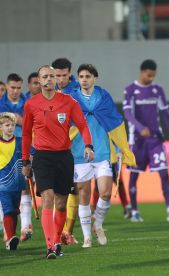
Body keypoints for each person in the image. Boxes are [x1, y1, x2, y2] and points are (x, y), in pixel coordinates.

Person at [21, 65, 94, 259]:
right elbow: (26, 134)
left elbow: (82, 125)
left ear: (56, 79)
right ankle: (51, 246)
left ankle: (57, 240)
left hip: (64, 157)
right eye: (44, 76)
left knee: (61, 204)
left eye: (52, 76)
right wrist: (25, 161)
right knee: (48, 198)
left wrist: (88, 146)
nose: (48, 79)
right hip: (42, 157)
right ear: (39, 80)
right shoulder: (31, 104)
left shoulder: (69, 102)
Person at [69, 64, 135, 248]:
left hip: (103, 151)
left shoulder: (103, 96)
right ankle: (86, 237)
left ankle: (98, 224)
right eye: (81, 76)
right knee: (84, 194)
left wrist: (120, 146)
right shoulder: (72, 98)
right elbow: (66, 123)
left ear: (95, 78)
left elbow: (113, 122)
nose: (84, 79)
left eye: (87, 76)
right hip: (79, 152)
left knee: (105, 193)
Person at [123, 59, 169, 222]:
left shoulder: (157, 90)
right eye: (149, 75)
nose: (151, 79)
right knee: (134, 176)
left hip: (156, 140)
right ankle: (134, 211)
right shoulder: (130, 90)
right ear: (142, 72)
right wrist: (139, 127)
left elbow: (166, 114)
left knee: (164, 173)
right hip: (137, 142)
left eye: (153, 76)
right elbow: (127, 114)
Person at [0, 73, 34, 242]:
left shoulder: (27, 103)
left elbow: (33, 125)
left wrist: (23, 121)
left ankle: (26, 226)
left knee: (25, 185)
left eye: (18, 87)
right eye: (12, 87)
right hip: (4, 152)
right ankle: (7, 228)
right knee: (4, 189)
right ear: (6, 86)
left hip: (23, 149)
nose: (15, 91)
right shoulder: (0, 104)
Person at [52, 57, 82, 245]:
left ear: (70, 73)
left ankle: (67, 232)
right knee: (57, 192)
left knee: (75, 189)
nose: (61, 79)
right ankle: (59, 233)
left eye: (64, 75)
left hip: (75, 149)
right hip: (53, 150)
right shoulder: (50, 91)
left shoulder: (77, 92)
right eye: (58, 75)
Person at [0, 112, 26, 250]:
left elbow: (30, 154)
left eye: (12, 125)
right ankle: (10, 237)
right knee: (8, 210)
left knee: (15, 211)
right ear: (1, 127)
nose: (10, 128)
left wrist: (29, 164)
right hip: (2, 184)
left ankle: (11, 240)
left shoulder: (21, 141)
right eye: (7, 125)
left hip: (18, 183)